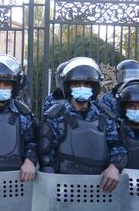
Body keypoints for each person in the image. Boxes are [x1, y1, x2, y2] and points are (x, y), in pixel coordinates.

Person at [38, 57, 127, 192]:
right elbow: (46, 155)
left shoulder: (106, 116)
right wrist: (51, 188)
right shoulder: (55, 116)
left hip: (100, 187)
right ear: (68, 86)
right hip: (64, 188)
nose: (82, 88)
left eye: (87, 84)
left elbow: (118, 147)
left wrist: (115, 167)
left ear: (94, 87)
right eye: (76, 84)